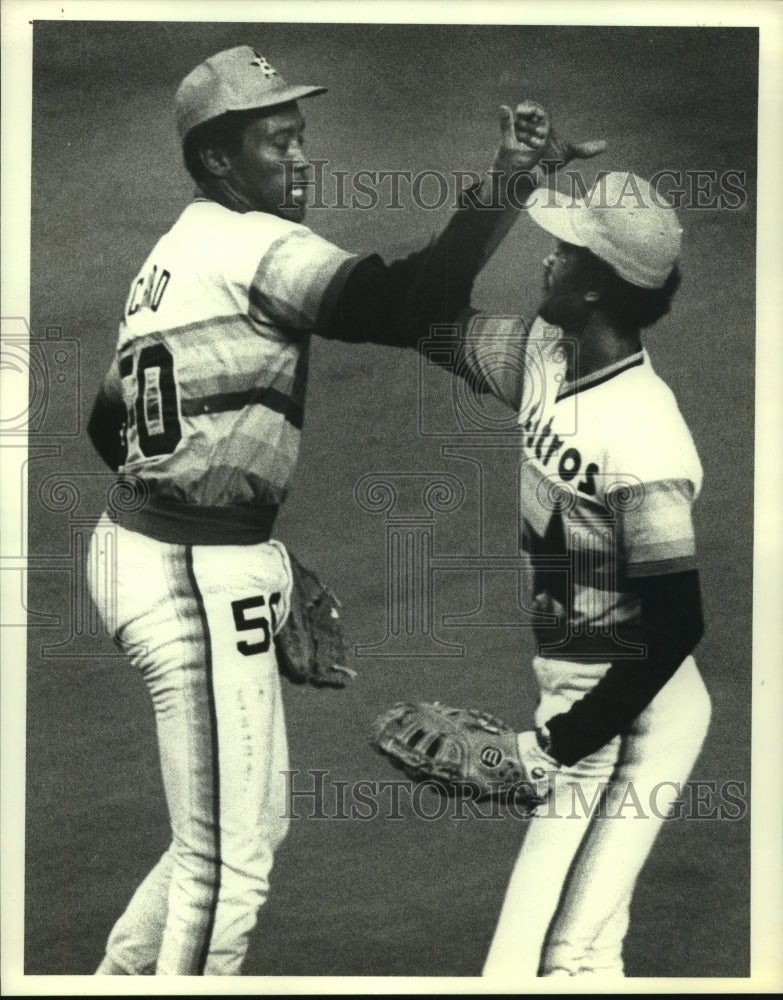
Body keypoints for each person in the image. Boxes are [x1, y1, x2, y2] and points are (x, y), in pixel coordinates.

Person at [85, 43, 604, 976]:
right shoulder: (253, 248)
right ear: (214, 161)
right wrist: (508, 187)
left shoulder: (168, 261)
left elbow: (106, 426)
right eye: (274, 143)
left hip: (162, 551)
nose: (298, 158)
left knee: (237, 829)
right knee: (226, 870)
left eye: (300, 137)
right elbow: (413, 302)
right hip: (184, 572)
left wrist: (259, 558)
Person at [427, 171, 710, 977]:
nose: (545, 261)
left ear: (594, 289)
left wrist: (554, 746)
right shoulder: (541, 354)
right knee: (582, 956)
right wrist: (501, 185)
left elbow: (676, 624)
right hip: (575, 694)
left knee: (541, 962)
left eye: (564, 252)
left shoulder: (645, 438)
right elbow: (421, 316)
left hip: (631, 716)